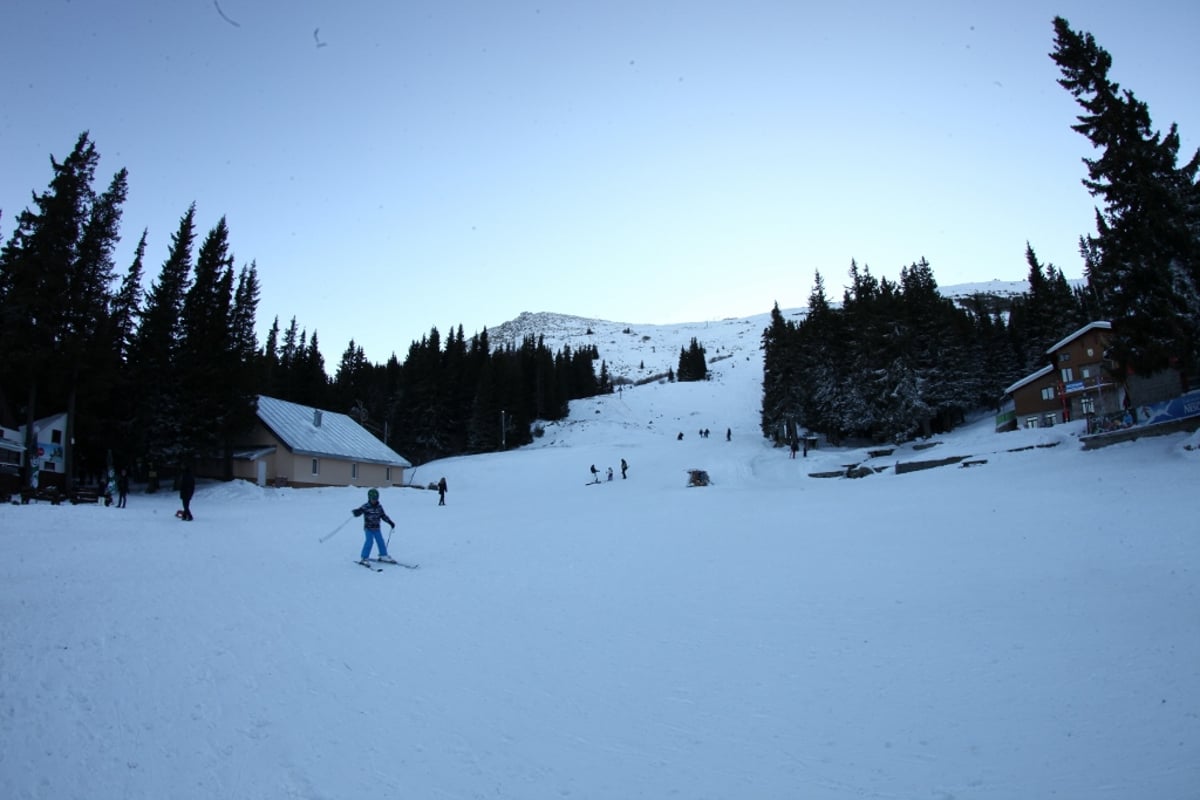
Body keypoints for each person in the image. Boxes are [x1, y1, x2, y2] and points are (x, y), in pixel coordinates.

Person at [352, 488, 396, 565]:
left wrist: (390, 522)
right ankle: (364, 558)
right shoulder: (366, 506)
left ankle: (383, 555)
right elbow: (359, 511)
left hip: (377, 528)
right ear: (369, 498)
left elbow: (383, 516)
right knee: (369, 542)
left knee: (381, 541)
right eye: (373, 499)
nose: (374, 500)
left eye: (376, 498)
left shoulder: (379, 507)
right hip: (368, 528)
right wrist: (356, 512)